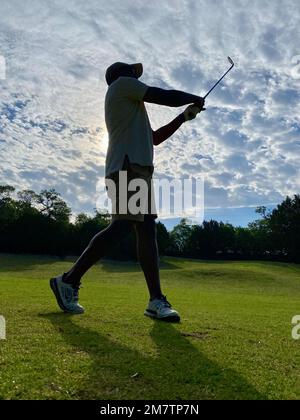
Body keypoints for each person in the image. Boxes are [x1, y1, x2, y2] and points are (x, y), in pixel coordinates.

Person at [50, 62, 205, 322]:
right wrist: (193, 97)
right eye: (134, 73)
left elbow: (155, 138)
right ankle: (68, 279)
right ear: (123, 75)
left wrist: (184, 117)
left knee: (146, 229)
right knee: (123, 226)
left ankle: (155, 300)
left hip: (137, 168)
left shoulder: (132, 107)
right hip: (127, 166)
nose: (136, 76)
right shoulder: (122, 85)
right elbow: (163, 96)